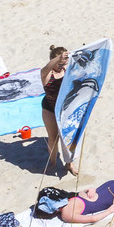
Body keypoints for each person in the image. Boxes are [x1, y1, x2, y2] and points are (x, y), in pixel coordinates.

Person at [39, 46, 76, 174]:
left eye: (64, 64)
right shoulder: (47, 74)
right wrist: (58, 59)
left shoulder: (67, 71)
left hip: (65, 109)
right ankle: (53, 162)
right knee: (53, 138)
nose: (62, 67)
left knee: (68, 138)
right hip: (49, 108)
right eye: (59, 64)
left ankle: (69, 164)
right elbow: (45, 68)